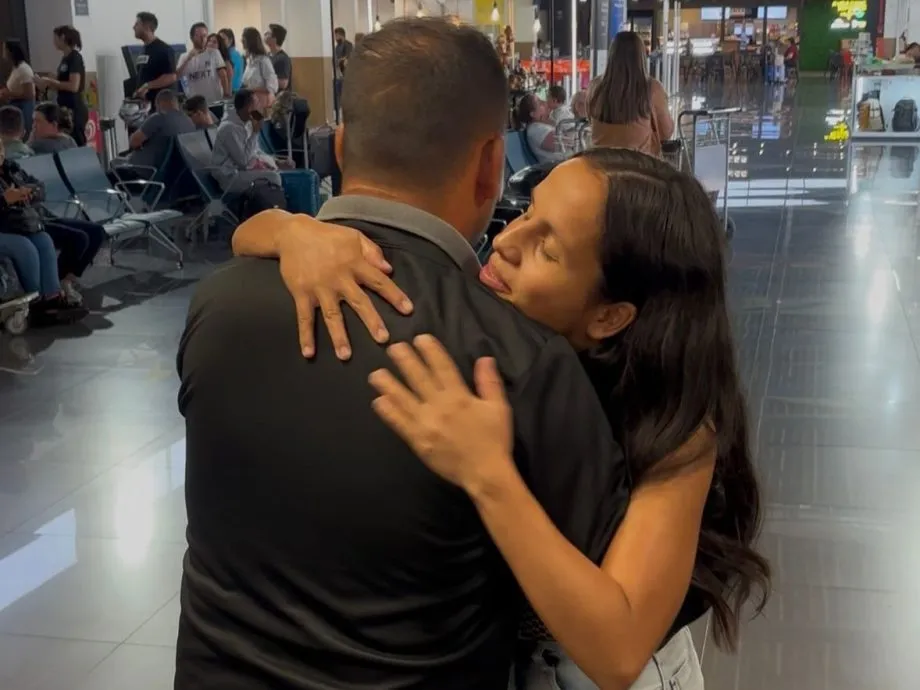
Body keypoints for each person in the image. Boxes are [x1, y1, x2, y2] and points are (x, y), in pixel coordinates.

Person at [175, 18, 628, 690]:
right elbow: (609, 612)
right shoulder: (516, 359)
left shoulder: (216, 306)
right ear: (491, 165)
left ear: (341, 147)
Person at [232, 148, 771, 690]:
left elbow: (619, 650)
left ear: (610, 316)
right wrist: (295, 234)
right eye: (528, 212)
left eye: (548, 249)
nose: (507, 240)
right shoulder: (499, 328)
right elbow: (247, 234)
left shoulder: (675, 426)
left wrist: (489, 476)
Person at [0, 139, 88, 324]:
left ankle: (51, 298)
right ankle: (35, 302)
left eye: (0, 147)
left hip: (16, 225)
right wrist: (4, 200)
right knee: (24, 247)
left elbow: (39, 186)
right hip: (6, 229)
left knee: (44, 240)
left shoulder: (11, 169)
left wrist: (30, 192)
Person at [589, 31, 673, 156]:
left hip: (601, 163)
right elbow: (666, 132)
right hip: (639, 164)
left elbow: (590, 119)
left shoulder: (595, 86)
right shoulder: (652, 88)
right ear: (641, 57)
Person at [210, 88, 279, 193]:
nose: (259, 107)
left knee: (277, 171)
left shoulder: (246, 122)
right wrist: (255, 133)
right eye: (257, 104)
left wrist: (274, 161)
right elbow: (243, 162)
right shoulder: (229, 128)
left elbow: (255, 151)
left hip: (242, 171)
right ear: (249, 108)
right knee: (274, 177)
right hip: (229, 177)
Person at [34, 26, 87, 146]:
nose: (53, 42)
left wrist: (50, 82)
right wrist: (46, 82)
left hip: (74, 108)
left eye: (55, 38)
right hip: (64, 107)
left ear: (62, 37)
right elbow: (62, 82)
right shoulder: (65, 58)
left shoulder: (75, 58)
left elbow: (73, 86)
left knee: (76, 143)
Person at [125, 89, 195, 170]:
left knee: (116, 165)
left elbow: (134, 142)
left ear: (159, 103)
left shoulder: (159, 117)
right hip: (173, 170)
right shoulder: (189, 121)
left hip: (146, 170)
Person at [132, 12, 178, 107]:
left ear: (147, 27)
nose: (133, 27)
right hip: (145, 106)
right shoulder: (143, 50)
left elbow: (171, 77)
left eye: (137, 24)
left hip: (160, 107)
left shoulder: (164, 49)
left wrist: (147, 86)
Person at [177, 23, 229, 105]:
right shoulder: (184, 56)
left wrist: (226, 93)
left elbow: (223, 75)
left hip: (215, 101)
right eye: (199, 36)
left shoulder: (214, 53)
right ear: (192, 38)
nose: (202, 39)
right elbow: (177, 76)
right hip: (195, 104)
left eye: (205, 36)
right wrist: (188, 59)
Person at [516, 93, 565, 164]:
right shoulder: (535, 130)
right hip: (559, 167)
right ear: (533, 114)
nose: (545, 103)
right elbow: (565, 144)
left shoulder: (542, 124)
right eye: (540, 103)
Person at [0, 40, 35, 135]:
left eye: (4, 49)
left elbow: (29, 94)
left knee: (24, 133)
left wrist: (9, 94)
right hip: (15, 106)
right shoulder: (16, 68)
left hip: (24, 108)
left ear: (10, 51)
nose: (3, 52)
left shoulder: (24, 69)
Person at [264, 23, 292, 92]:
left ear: (274, 39)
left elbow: (283, 83)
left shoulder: (282, 59)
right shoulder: (266, 56)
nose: (265, 34)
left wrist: (263, 79)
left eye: (268, 33)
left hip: (278, 97)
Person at [333, 26, 353, 112]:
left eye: (336, 35)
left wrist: (340, 60)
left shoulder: (348, 45)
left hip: (346, 74)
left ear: (341, 35)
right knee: (337, 94)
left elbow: (347, 58)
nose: (335, 38)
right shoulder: (337, 47)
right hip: (338, 74)